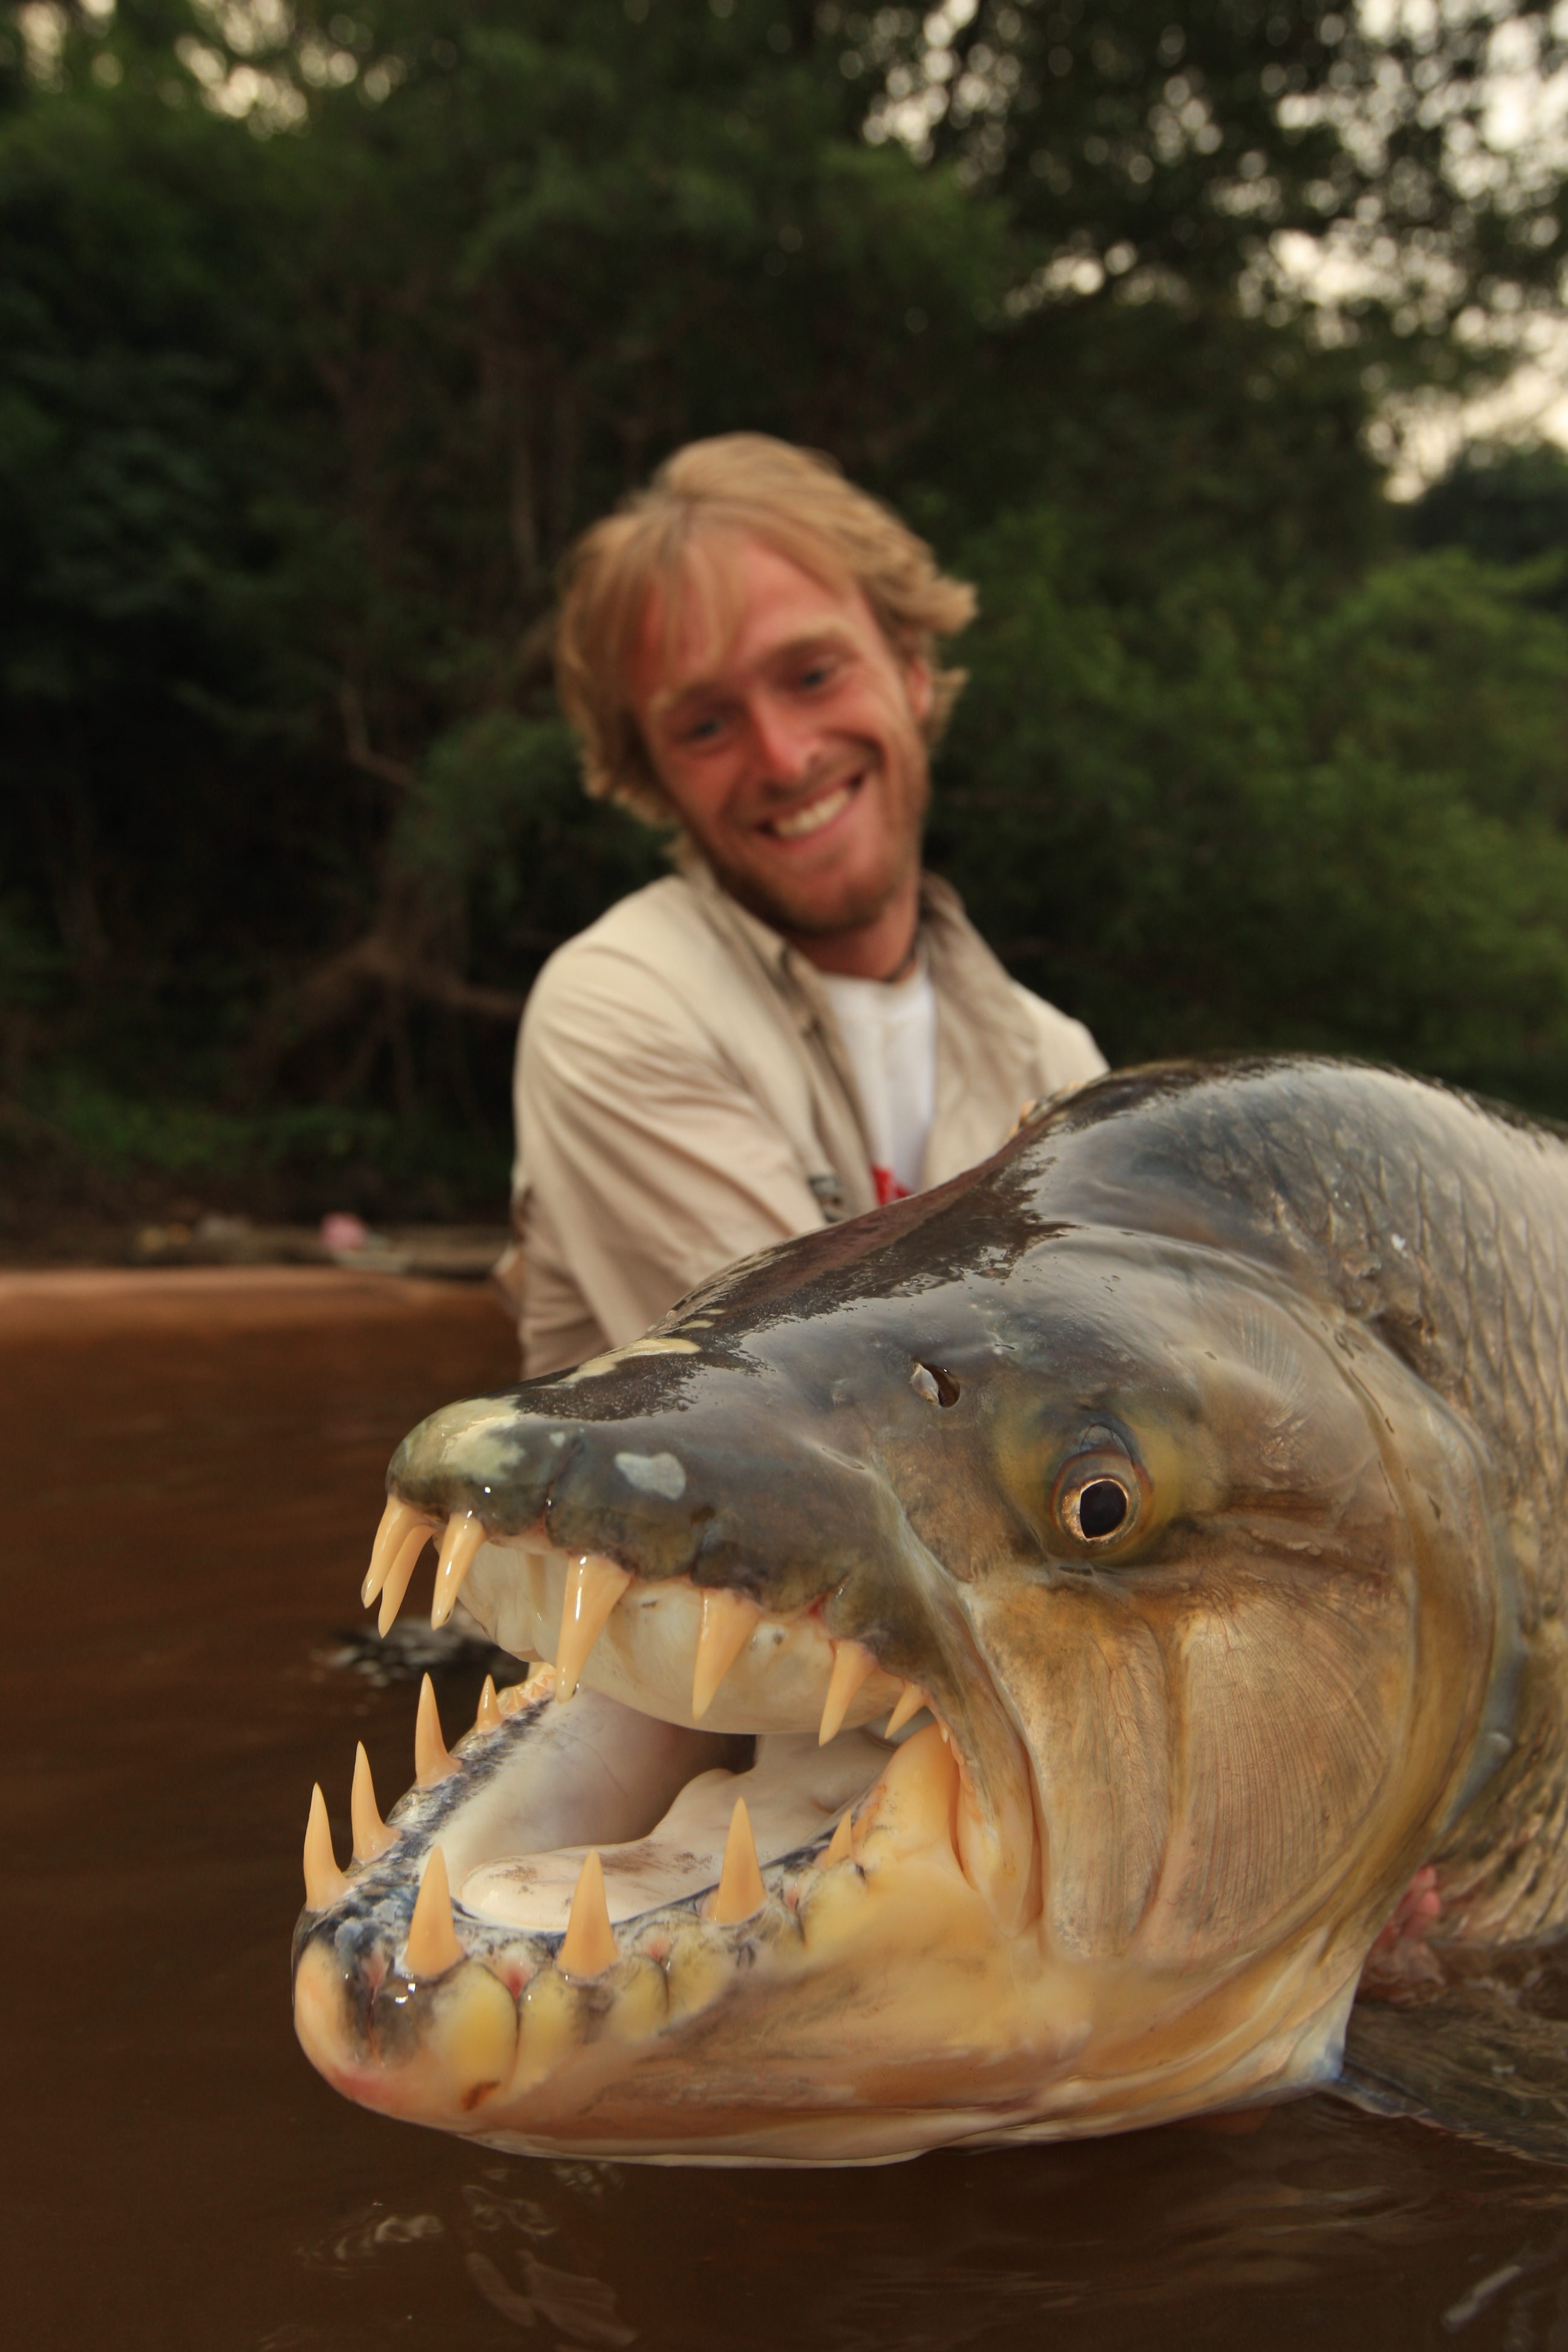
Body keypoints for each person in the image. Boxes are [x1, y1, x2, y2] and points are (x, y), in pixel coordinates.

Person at [508, 434, 1105, 1377]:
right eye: (705, 725)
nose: (785, 758)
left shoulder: (1057, 1064)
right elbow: (823, 1410)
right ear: (654, 778)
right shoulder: (617, 1009)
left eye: (813, 675)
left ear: (911, 668)